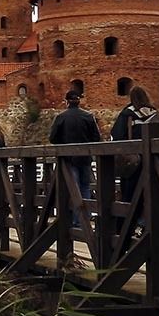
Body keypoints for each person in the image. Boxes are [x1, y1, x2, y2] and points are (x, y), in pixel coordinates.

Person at [49, 91, 101, 221]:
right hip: (85, 158)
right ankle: (85, 220)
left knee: (73, 187)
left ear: (66, 102)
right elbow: (96, 138)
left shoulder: (61, 117)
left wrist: (64, 145)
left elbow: (53, 138)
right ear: (79, 102)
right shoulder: (88, 116)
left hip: (68, 159)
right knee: (85, 187)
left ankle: (76, 221)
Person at [109, 85, 159, 202]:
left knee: (130, 195)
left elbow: (117, 135)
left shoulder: (128, 114)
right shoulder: (155, 113)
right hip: (154, 161)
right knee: (151, 195)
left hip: (133, 161)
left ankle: (129, 219)